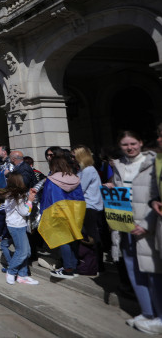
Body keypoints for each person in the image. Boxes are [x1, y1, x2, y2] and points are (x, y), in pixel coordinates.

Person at [108, 131, 162, 333]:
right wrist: (112, 187)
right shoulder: (118, 165)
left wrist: (147, 224)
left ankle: (159, 315)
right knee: (134, 271)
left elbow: (157, 196)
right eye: (125, 144)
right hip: (126, 225)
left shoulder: (153, 163)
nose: (129, 147)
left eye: (133, 143)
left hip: (148, 226)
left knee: (153, 271)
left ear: (141, 143)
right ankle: (147, 313)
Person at [40, 156, 84, 279]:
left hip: (58, 211)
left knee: (63, 240)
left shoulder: (51, 179)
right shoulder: (76, 178)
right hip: (75, 211)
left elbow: (47, 197)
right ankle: (74, 266)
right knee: (74, 238)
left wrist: (42, 213)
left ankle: (67, 268)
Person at [0, 174, 38, 285]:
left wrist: (29, 196)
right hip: (16, 226)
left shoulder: (12, 194)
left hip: (18, 225)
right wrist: (30, 200)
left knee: (26, 251)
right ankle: (11, 271)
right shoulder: (16, 196)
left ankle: (22, 275)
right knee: (22, 252)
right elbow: (25, 211)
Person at [72, 145, 105, 274]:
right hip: (86, 206)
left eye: (74, 155)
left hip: (91, 207)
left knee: (93, 238)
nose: (72, 158)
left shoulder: (88, 170)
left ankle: (98, 266)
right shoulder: (82, 170)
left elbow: (80, 189)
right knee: (89, 237)